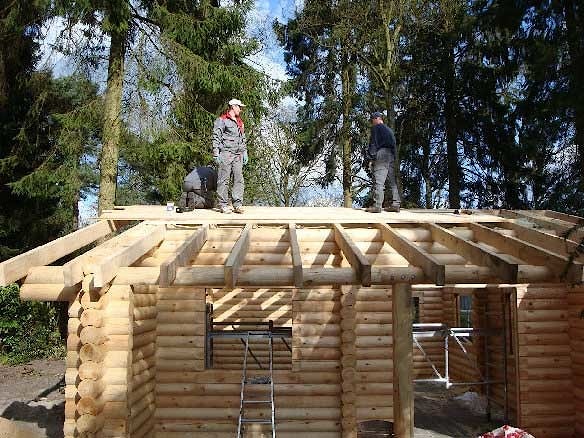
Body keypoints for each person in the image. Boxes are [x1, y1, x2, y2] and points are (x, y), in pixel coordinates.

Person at [212, 98, 248, 214]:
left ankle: (237, 204)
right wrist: (216, 153)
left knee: (239, 179)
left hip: (238, 155)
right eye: (239, 107)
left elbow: (243, 139)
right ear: (233, 106)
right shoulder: (222, 120)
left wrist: (245, 152)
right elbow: (216, 137)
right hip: (226, 154)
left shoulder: (240, 122)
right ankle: (223, 205)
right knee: (224, 180)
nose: (241, 110)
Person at [365, 111, 401, 213]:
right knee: (392, 181)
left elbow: (374, 143)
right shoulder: (389, 130)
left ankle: (377, 206)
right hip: (391, 155)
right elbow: (394, 145)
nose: (372, 123)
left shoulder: (376, 128)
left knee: (379, 181)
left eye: (372, 120)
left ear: (376, 119)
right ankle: (396, 204)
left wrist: (371, 158)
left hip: (382, 154)